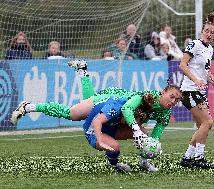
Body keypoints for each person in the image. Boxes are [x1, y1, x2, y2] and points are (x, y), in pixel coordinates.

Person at [11, 60, 183, 171]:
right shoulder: (148, 96)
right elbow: (127, 109)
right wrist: (136, 130)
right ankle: (29, 107)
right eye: (171, 96)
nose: (173, 101)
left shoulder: (165, 113)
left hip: (120, 115)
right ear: (162, 92)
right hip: (111, 100)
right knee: (72, 114)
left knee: (144, 134)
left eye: (176, 100)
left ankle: (83, 71)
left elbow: (155, 136)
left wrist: (147, 151)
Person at [178, 12, 214, 169]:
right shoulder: (195, 44)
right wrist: (196, 80)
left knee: (204, 125)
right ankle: (199, 158)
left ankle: (187, 158)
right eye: (206, 31)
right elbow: (182, 64)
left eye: (212, 32)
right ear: (202, 31)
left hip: (197, 91)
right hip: (189, 91)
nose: (209, 34)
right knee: (208, 122)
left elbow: (206, 73)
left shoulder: (209, 50)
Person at [82, 93, 154, 172]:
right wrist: (100, 142)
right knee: (114, 147)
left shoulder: (132, 108)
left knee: (143, 133)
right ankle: (113, 164)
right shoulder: (115, 108)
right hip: (93, 130)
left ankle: (144, 162)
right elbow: (97, 122)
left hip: (111, 126)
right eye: (130, 121)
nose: (130, 124)